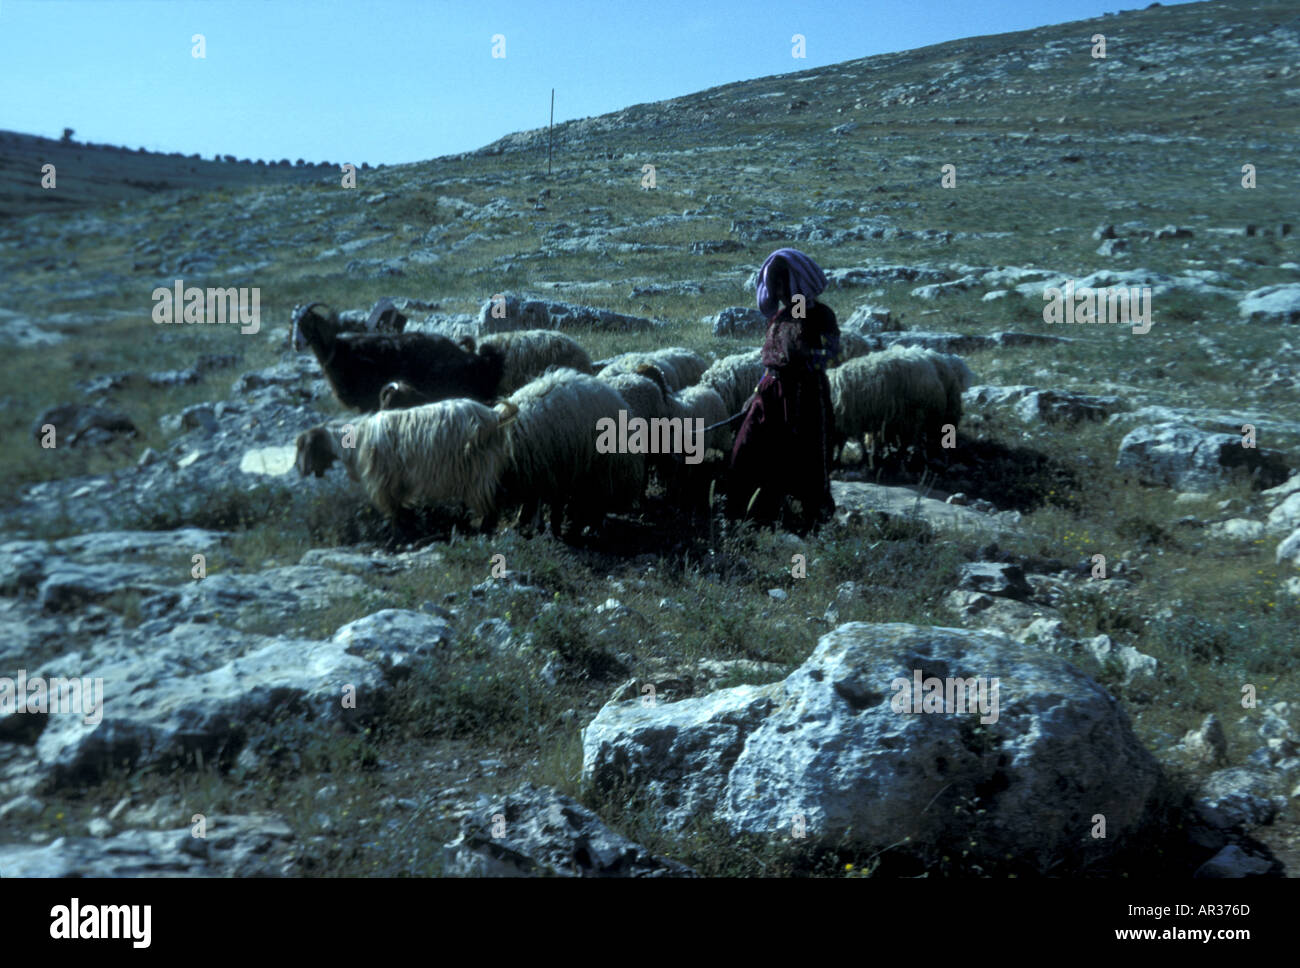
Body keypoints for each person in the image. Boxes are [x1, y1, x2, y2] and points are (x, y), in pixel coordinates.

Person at [727, 248, 841, 532]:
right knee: (747, 445)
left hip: (804, 394)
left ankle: (811, 519)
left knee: (805, 452)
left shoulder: (819, 315)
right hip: (770, 392)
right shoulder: (779, 317)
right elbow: (773, 356)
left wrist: (804, 352)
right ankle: (749, 513)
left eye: (782, 283)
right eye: (775, 284)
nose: (778, 290)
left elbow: (829, 352)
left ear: (794, 283)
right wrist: (756, 393)